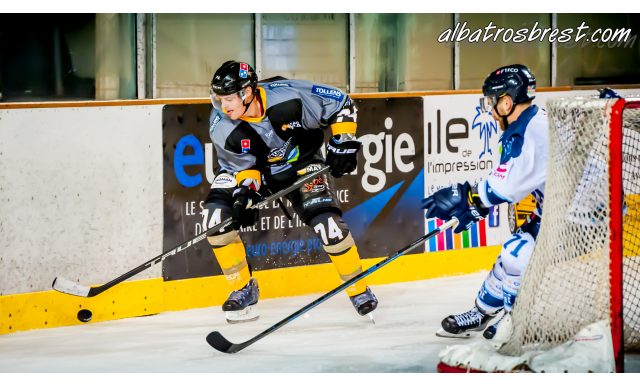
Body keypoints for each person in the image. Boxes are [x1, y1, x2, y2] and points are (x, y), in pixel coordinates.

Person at [202, 60, 378, 323]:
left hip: (303, 164)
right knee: (215, 221)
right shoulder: (221, 125)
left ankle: (358, 289)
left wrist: (343, 140)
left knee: (328, 225)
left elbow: (342, 103)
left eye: (228, 99)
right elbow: (243, 168)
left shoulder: (289, 95)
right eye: (219, 100)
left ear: (247, 92)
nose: (223, 107)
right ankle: (243, 288)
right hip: (259, 171)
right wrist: (245, 194)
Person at [421, 64, 547, 338]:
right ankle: (481, 314)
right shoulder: (530, 123)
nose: (490, 111)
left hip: (583, 219)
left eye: (493, 102)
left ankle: (517, 324)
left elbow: (506, 187)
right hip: (560, 210)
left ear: (507, 101)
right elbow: (509, 181)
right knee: (509, 256)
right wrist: (475, 205)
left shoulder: (530, 133)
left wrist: (464, 196)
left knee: (518, 254)